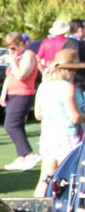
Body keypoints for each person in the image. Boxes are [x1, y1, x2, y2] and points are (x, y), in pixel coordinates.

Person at [33, 47, 85, 197]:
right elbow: (74, 117)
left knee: (45, 178)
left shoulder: (43, 86)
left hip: (48, 135)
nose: (75, 73)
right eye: (72, 69)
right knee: (69, 176)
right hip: (67, 137)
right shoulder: (67, 87)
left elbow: (38, 114)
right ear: (66, 70)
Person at [1, 33, 40, 170]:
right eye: (9, 48)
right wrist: (3, 93)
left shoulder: (28, 55)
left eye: (13, 48)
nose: (11, 51)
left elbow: (21, 75)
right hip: (13, 94)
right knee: (17, 125)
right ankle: (21, 156)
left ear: (21, 44)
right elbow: (9, 76)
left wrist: (12, 60)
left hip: (24, 94)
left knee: (11, 125)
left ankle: (29, 154)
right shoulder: (17, 56)